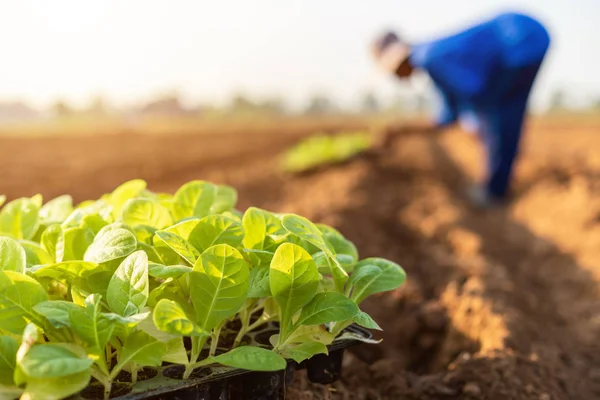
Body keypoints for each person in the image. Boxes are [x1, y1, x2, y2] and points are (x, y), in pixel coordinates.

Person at [372, 12, 550, 207]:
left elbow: (473, 91)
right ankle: (498, 186)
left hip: (518, 39)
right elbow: (448, 116)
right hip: (532, 39)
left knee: (497, 111)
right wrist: (405, 131)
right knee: (507, 108)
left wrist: (472, 121)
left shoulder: (430, 58)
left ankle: (494, 190)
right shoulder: (431, 57)